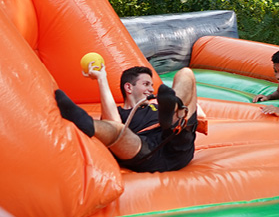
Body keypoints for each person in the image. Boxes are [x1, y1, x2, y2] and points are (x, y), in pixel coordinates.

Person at [55, 64, 198, 173]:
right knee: (117, 129)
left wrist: (179, 106)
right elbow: (115, 122)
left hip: (175, 138)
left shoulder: (156, 106)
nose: (151, 89)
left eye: (152, 86)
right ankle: (87, 123)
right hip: (145, 151)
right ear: (129, 88)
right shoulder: (120, 113)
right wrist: (101, 78)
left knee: (186, 73)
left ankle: (173, 108)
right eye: (146, 84)